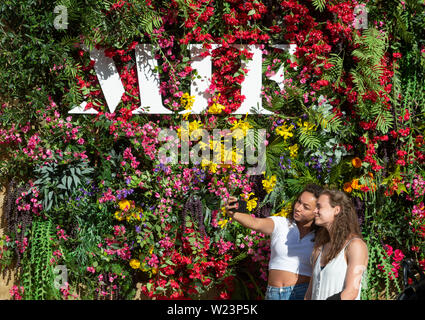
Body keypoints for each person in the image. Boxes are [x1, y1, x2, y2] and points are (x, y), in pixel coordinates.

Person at [224, 184, 323, 300]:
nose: (298, 208)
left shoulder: (321, 237)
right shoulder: (281, 224)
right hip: (273, 294)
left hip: (302, 294)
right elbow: (255, 223)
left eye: (306, 207)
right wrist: (234, 213)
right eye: (298, 202)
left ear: (317, 212)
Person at [304, 189, 368, 300]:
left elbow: (351, 291)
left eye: (319, 206)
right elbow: (310, 292)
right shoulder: (319, 248)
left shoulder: (355, 246)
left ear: (336, 210)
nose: (315, 211)